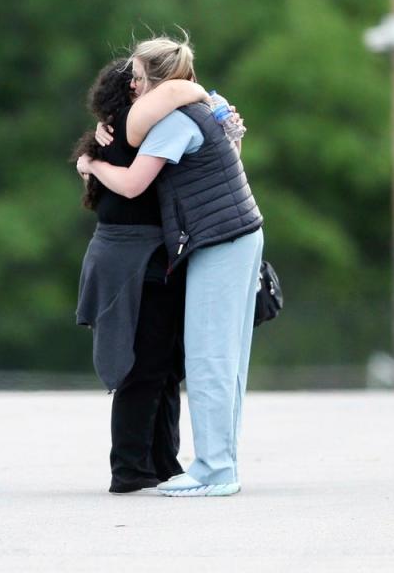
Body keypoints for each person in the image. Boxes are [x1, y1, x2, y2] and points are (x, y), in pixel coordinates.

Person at [77, 33, 264, 498]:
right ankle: (206, 464)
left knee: (208, 359)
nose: (133, 85)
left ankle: (214, 468)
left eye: (138, 76)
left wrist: (90, 163)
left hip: (219, 239)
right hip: (227, 236)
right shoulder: (192, 111)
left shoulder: (173, 116)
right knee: (211, 359)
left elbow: (135, 182)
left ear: (157, 81)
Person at [73, 58, 211, 494]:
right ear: (133, 92)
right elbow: (134, 188)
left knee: (161, 366)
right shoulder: (128, 137)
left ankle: (160, 462)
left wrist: (88, 161)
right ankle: (133, 467)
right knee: (150, 366)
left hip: (132, 257)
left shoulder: (111, 138)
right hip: (142, 260)